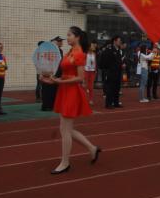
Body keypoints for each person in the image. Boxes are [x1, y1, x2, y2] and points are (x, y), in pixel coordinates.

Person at [39, 26, 100, 174]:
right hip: (65, 90)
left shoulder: (79, 54)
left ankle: (65, 163)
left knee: (65, 130)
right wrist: (50, 80)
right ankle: (92, 148)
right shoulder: (69, 52)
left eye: (69, 35)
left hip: (72, 92)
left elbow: (80, 78)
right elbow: (65, 75)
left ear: (77, 37)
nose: (67, 38)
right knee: (66, 129)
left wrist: (59, 81)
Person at [100, 36, 124, 109]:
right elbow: (105, 61)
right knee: (110, 88)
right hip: (111, 72)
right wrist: (108, 69)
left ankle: (116, 103)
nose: (120, 42)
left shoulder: (118, 50)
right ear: (114, 41)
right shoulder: (109, 50)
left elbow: (119, 61)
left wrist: (122, 65)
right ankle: (108, 104)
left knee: (117, 88)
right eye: (119, 41)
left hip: (118, 72)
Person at [41, 36, 64, 111]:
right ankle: (46, 106)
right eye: (59, 41)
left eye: (61, 41)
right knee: (47, 89)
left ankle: (52, 105)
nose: (61, 42)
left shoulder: (60, 50)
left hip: (56, 73)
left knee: (54, 90)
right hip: (49, 72)